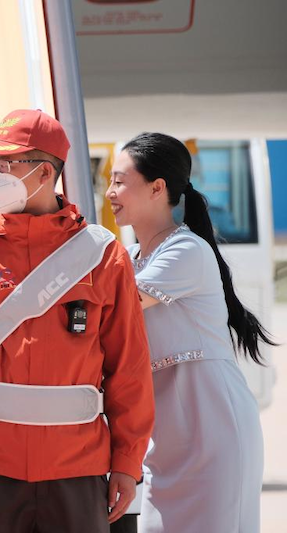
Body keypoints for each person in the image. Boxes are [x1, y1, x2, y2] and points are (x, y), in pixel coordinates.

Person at [0, 109, 155, 533]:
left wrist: (127, 462)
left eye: (3, 164)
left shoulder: (104, 257)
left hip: (79, 471)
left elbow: (130, 370)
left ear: (45, 173)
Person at [105, 132, 272, 533]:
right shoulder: (129, 257)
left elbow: (117, 303)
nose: (109, 192)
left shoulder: (186, 250)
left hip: (211, 426)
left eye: (119, 181)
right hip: (165, 437)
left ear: (157, 187)